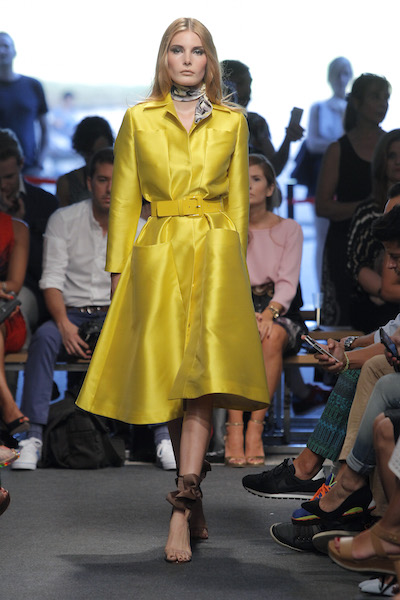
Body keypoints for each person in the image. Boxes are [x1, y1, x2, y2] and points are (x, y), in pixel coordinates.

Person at [76, 17, 269, 564]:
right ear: (164, 58)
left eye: (197, 51)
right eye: (177, 50)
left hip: (214, 255)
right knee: (170, 379)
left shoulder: (232, 121)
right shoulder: (139, 118)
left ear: (210, 60)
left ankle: (182, 507)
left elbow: (237, 205)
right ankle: (195, 491)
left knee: (200, 381)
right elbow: (124, 199)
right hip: (158, 253)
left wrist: (235, 271)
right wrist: (118, 274)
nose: (187, 59)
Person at [12, 148, 114, 471]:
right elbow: (51, 280)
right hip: (70, 312)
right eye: (102, 180)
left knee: (151, 342)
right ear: (89, 182)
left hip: (116, 315)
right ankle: (32, 436)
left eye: (117, 180)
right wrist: (63, 324)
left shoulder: (139, 225)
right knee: (44, 339)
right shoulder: (64, 219)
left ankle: (160, 436)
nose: (110, 188)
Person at [225, 154, 306, 467]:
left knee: (271, 337)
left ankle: (255, 428)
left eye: (256, 179)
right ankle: (234, 427)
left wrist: (269, 313)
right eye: (242, 179)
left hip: (280, 308)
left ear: (270, 188)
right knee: (235, 334)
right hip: (235, 305)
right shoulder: (227, 226)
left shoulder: (289, 229)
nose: (248, 185)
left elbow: (288, 282)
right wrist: (245, 315)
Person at [316, 73, 390, 325]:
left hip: (387, 246)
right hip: (345, 244)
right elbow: (323, 206)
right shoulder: (338, 149)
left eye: (386, 98)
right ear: (357, 102)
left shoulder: (392, 147)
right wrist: (368, 207)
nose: (382, 104)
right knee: (344, 319)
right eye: (375, 97)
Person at [0, 128, 58, 332]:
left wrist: (19, 226)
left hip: (31, 289)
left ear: (21, 164)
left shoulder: (44, 203)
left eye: (8, 177)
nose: (3, 185)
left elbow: (47, 266)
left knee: (14, 311)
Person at [347, 132, 400, 332]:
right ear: (382, 161)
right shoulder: (366, 212)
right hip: (375, 301)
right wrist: (387, 291)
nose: (398, 162)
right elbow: (357, 264)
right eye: (392, 156)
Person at [220, 59, 304, 175]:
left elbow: (273, 169)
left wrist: (288, 139)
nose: (248, 90)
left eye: (249, 84)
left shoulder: (255, 123)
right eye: (240, 83)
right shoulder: (205, 122)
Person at [0, 33, 48, 173]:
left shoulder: (33, 85)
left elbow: (45, 129)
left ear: (14, 51)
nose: (1, 51)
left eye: (5, 46)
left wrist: (39, 163)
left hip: (28, 167)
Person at [0, 210, 29, 434]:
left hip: (4, 319)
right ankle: (8, 404)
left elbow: (14, 284)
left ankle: (7, 406)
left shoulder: (16, 228)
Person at [56, 116, 114, 207]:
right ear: (83, 152)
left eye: (103, 153)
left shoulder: (126, 179)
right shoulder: (66, 184)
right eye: (92, 154)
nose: (98, 159)